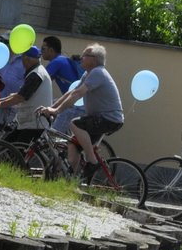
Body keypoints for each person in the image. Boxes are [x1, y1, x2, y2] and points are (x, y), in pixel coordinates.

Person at [37, 42, 124, 173]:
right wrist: (52, 108)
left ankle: (92, 162)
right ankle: (75, 180)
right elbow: (71, 92)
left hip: (109, 118)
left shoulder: (98, 72)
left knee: (75, 124)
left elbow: (78, 94)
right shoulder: (88, 73)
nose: (81, 57)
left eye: (85, 55)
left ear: (94, 59)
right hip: (100, 118)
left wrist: (56, 111)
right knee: (73, 145)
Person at [0, 46, 53, 145]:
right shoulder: (36, 71)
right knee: (7, 147)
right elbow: (19, 94)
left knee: (15, 152)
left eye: (22, 58)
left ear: (27, 59)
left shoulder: (36, 74)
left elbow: (20, 97)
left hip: (34, 124)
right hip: (29, 122)